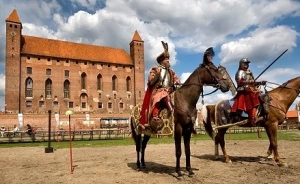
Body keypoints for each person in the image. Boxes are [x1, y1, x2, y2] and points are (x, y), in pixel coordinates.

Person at [140, 41, 180, 127]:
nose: (168, 60)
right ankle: (163, 113)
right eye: (166, 59)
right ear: (162, 61)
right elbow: (150, 81)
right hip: (158, 91)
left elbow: (176, 79)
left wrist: (177, 82)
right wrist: (156, 76)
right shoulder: (156, 69)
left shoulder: (171, 71)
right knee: (162, 95)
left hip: (170, 90)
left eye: (168, 59)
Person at [231, 58, 266, 126]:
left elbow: (253, 83)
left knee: (262, 96)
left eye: (247, 64)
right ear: (241, 64)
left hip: (250, 89)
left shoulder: (250, 72)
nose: (246, 65)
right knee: (253, 97)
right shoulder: (240, 72)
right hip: (243, 90)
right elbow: (239, 82)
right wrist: (249, 82)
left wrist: (260, 83)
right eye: (245, 64)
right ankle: (252, 118)